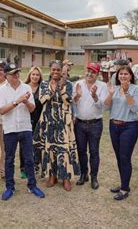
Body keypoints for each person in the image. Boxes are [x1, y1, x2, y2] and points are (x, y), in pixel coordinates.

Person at [0, 63, 45, 200]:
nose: (16, 75)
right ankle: (10, 187)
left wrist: (26, 102)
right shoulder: (1, 91)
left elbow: (32, 109)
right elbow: (1, 110)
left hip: (25, 128)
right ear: (6, 76)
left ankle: (32, 185)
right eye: (13, 73)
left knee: (29, 159)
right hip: (10, 129)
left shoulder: (26, 87)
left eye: (17, 72)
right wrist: (17, 101)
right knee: (9, 159)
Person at [34, 60, 80, 191]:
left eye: (58, 70)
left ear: (61, 71)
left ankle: (66, 178)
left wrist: (61, 88)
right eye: (53, 70)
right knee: (49, 149)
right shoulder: (44, 84)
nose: (55, 72)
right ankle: (52, 175)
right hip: (48, 121)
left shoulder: (69, 84)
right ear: (50, 70)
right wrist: (54, 88)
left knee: (64, 150)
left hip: (63, 122)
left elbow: (69, 101)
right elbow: (43, 99)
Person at [104, 66, 138, 200]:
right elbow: (106, 107)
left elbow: (135, 108)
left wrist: (126, 93)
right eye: (121, 74)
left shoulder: (136, 89)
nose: (123, 76)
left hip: (129, 126)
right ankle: (123, 184)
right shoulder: (114, 89)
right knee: (119, 157)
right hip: (114, 125)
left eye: (126, 74)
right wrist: (110, 94)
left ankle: (125, 189)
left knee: (125, 157)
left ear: (131, 76)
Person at [72, 63, 109, 190]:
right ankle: (83, 174)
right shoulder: (78, 84)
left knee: (94, 151)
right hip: (80, 123)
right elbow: (72, 103)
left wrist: (94, 96)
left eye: (93, 72)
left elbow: (103, 107)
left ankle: (94, 177)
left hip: (95, 124)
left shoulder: (102, 86)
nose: (89, 74)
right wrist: (76, 96)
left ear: (97, 74)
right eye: (88, 71)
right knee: (81, 151)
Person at [20, 66, 43, 176]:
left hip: (39, 119)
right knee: (24, 143)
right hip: (25, 118)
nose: (35, 76)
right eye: (33, 74)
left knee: (37, 143)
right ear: (29, 75)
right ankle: (23, 168)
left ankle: (36, 165)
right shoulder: (23, 87)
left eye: (37, 75)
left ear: (40, 77)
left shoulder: (42, 88)